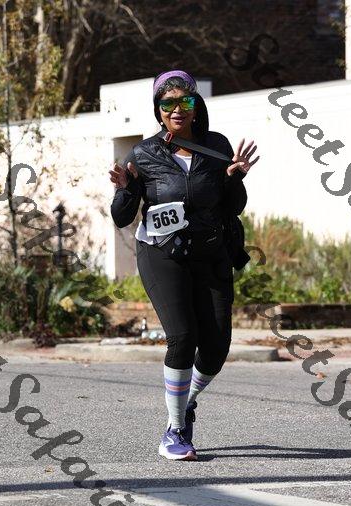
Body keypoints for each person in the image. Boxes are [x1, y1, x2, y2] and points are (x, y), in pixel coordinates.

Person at [109, 70, 259, 461]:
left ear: (196, 106)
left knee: (217, 347)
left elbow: (233, 207)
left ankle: (186, 400)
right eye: (168, 103)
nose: (177, 110)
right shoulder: (143, 154)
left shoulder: (217, 146)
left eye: (185, 102)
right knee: (182, 336)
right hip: (162, 255)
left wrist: (235, 179)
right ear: (158, 110)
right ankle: (175, 431)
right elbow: (122, 217)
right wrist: (126, 189)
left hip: (210, 254)